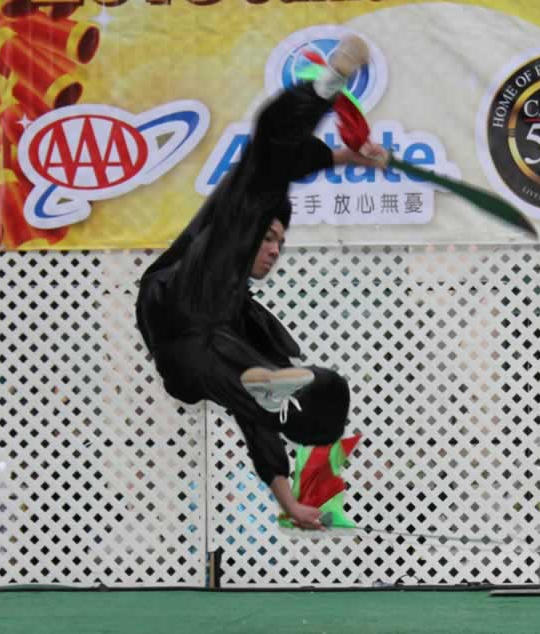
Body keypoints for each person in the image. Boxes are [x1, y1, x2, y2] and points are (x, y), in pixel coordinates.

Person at [136, 35, 387, 531]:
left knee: (312, 395)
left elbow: (256, 424)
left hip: (198, 359)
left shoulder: (238, 320)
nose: (274, 251)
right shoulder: (229, 232)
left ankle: (267, 383)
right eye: (268, 239)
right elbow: (270, 154)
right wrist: (332, 111)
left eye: (280, 243)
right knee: (258, 182)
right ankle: (325, 82)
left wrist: (289, 503)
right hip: (178, 296)